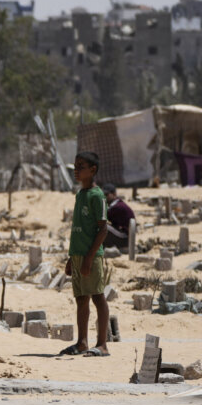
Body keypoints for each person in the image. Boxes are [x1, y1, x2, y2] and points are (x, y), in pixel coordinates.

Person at [59, 152, 111, 358]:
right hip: (78, 254)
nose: (76, 170)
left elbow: (103, 229)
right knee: (81, 299)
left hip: (92, 256)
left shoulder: (97, 196)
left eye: (81, 166)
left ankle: (103, 344)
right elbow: (78, 228)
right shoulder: (80, 195)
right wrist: (72, 258)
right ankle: (82, 342)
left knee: (98, 297)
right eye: (75, 167)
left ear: (93, 170)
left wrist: (89, 257)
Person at [101, 183, 135, 250]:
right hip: (122, 234)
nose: (104, 197)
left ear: (114, 194)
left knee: (102, 226)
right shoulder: (116, 204)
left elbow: (101, 216)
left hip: (125, 237)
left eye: (106, 195)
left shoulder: (117, 206)